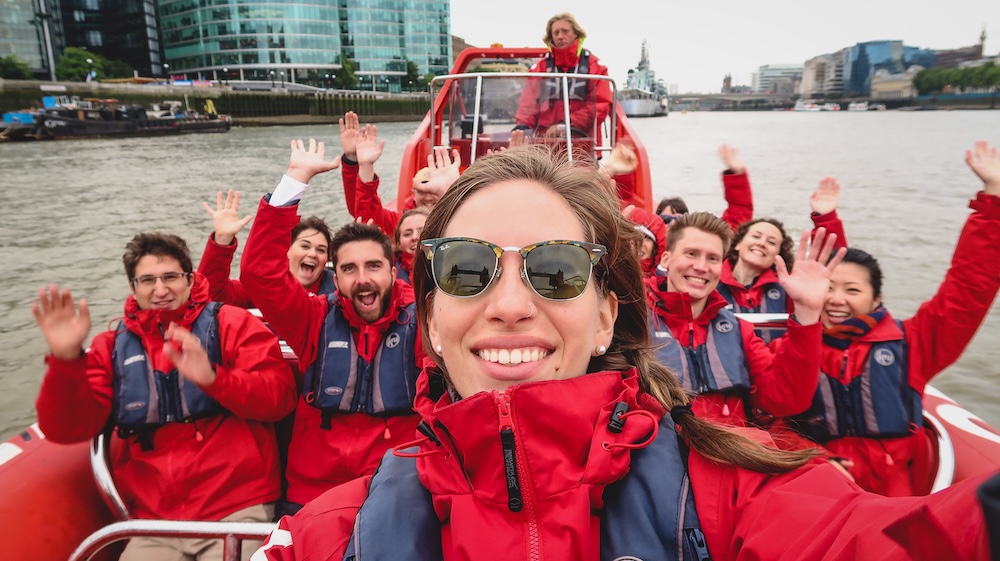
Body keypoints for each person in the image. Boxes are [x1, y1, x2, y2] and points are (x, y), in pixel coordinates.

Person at [251, 146, 995, 561]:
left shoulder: (733, 493)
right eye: (467, 268)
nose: (510, 304)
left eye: (556, 270)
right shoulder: (333, 534)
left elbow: (895, 545)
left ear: (607, 316)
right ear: (433, 321)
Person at [33, 233, 297, 561]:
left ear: (190, 280)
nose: (160, 290)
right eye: (147, 280)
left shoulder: (233, 324)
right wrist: (66, 360)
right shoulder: (110, 347)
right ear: (133, 287)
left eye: (170, 277)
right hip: (155, 521)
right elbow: (65, 429)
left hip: (237, 509)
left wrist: (214, 379)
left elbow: (280, 398)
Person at [779, 140, 1000, 497]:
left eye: (852, 291)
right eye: (828, 289)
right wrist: (814, 460)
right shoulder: (792, 349)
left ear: (877, 299)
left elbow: (968, 286)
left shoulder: (913, 343)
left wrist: (993, 203)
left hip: (896, 494)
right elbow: (772, 420)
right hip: (819, 488)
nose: (836, 299)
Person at [240, 139, 425, 517]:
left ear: (393, 272)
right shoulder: (313, 318)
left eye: (373, 266)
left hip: (395, 488)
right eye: (349, 269)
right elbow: (260, 273)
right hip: (314, 490)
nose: (363, 279)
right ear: (335, 279)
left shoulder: (423, 321)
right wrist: (294, 180)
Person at [646, 211, 837, 425]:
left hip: (731, 441)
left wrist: (807, 312)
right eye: (691, 254)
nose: (701, 266)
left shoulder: (739, 330)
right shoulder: (634, 319)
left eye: (712, 258)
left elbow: (785, 399)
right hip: (660, 440)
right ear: (666, 259)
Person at [717, 177, 849, 343]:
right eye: (756, 236)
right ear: (737, 244)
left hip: (774, 357)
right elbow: (738, 210)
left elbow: (831, 267)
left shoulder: (790, 289)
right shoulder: (710, 278)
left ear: (777, 256)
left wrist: (826, 218)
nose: (762, 243)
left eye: (771, 242)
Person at [197, 189, 335, 308]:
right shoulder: (263, 286)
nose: (313, 254)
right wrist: (222, 240)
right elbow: (211, 294)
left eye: (321, 250)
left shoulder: (338, 291)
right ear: (287, 251)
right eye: (305, 246)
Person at [513, 13, 612, 141]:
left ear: (576, 34)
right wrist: (522, 129)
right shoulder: (539, 69)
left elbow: (600, 106)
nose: (560, 36)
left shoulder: (595, 68)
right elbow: (527, 107)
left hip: (583, 143)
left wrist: (565, 125)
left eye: (565, 31)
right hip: (545, 144)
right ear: (551, 37)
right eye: (556, 33)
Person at [391, 206, 429, 285]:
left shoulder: (448, 266)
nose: (415, 237)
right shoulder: (388, 271)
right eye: (407, 234)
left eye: (422, 232)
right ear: (398, 244)